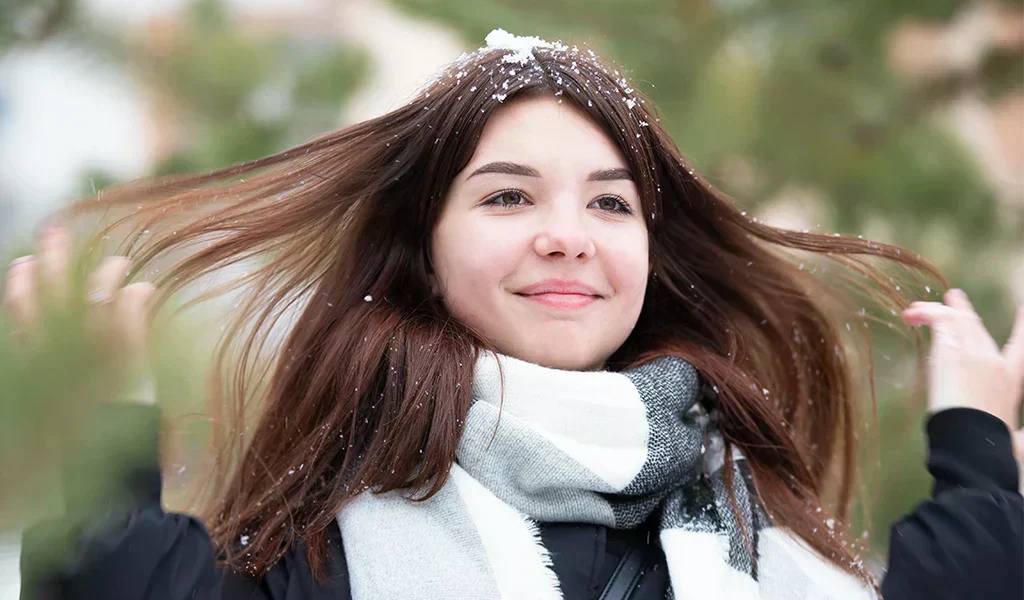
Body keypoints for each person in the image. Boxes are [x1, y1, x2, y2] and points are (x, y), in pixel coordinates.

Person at [6, 29, 1023, 600]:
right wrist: (99, 420)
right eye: (506, 196)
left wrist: (974, 436)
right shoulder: (321, 559)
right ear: (422, 251)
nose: (568, 235)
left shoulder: (755, 535)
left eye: (610, 202)